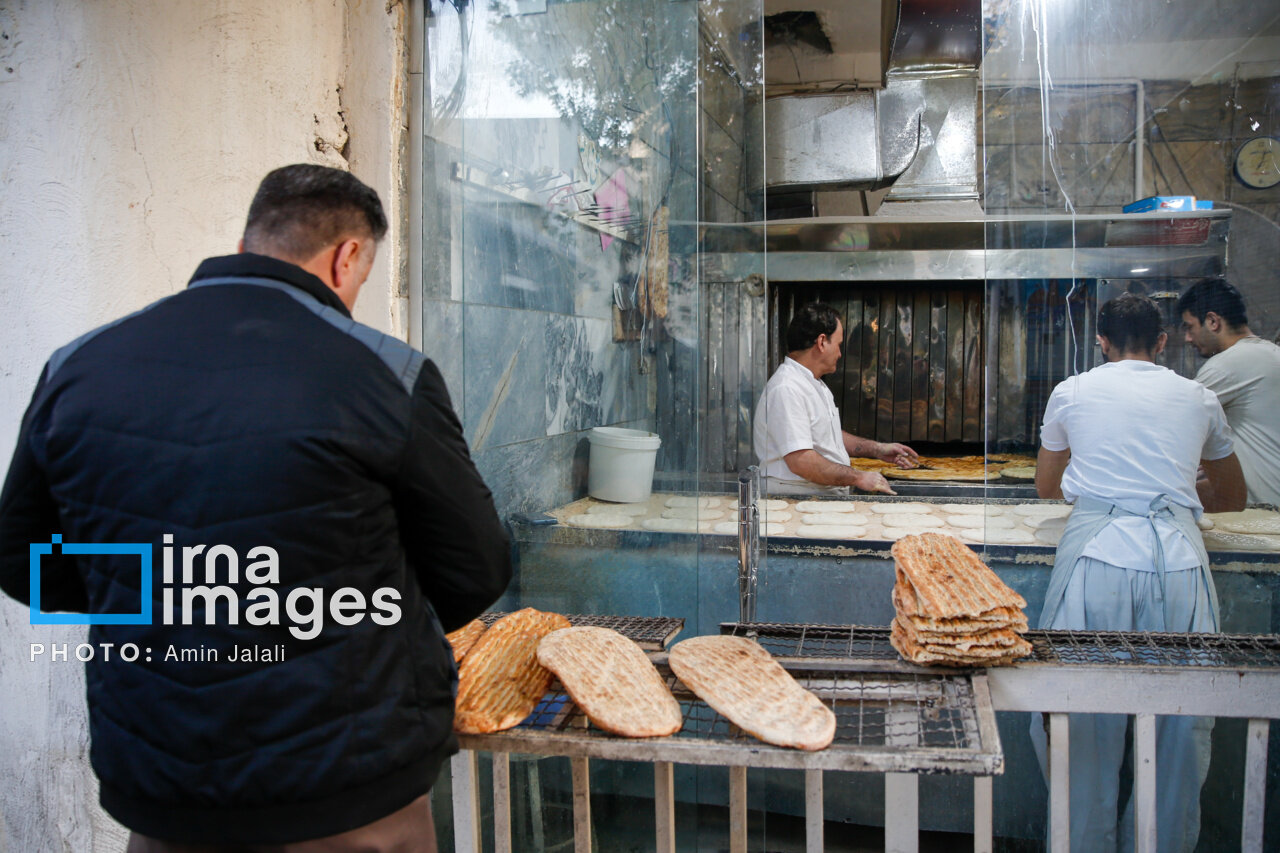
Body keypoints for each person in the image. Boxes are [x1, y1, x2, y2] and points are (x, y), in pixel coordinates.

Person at [0, 164, 512, 852]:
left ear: (247, 244)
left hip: (163, 795)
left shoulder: (79, 364)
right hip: (348, 793)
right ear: (346, 257)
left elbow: (25, 563)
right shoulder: (384, 374)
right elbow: (475, 568)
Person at [1029, 293, 1246, 853]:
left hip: (1096, 563)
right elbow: (1232, 496)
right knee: (1179, 730)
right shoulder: (1198, 397)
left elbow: (1047, 487)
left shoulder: (1072, 390)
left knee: (1078, 722)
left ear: (1102, 342)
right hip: (1178, 565)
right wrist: (1173, 489)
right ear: (1163, 342)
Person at [753, 302, 917, 495]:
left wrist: (877, 449)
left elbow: (828, 436)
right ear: (822, 342)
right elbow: (801, 461)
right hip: (796, 501)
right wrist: (858, 477)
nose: (840, 354)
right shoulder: (787, 388)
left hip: (817, 500)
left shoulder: (814, 384)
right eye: (838, 345)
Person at [1177, 278, 1280, 507]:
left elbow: (1172, 420)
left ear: (1212, 321)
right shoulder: (1272, 353)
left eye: (1190, 327)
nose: (1187, 338)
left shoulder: (1229, 364)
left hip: (1263, 513)